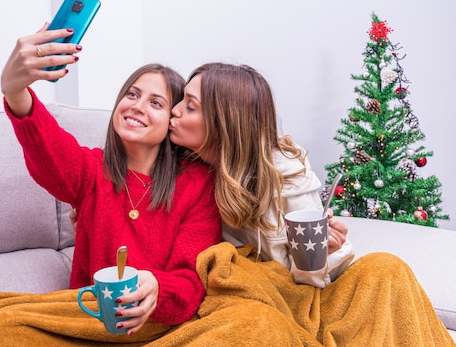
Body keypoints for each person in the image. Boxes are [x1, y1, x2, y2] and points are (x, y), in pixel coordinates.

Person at [0, 25, 222, 347]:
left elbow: (189, 282)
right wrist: (16, 91)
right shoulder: (90, 170)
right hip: (89, 323)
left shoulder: (197, 184)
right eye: (132, 94)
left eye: (156, 103)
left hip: (161, 327)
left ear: (171, 119)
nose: (138, 106)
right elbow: (49, 150)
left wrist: (157, 288)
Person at [158, 62, 454, 346]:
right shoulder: (178, 169)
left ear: (224, 123)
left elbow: (307, 275)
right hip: (248, 303)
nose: (175, 109)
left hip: (303, 294)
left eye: (190, 105)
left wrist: (323, 250)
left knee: (387, 269)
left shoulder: (285, 172)